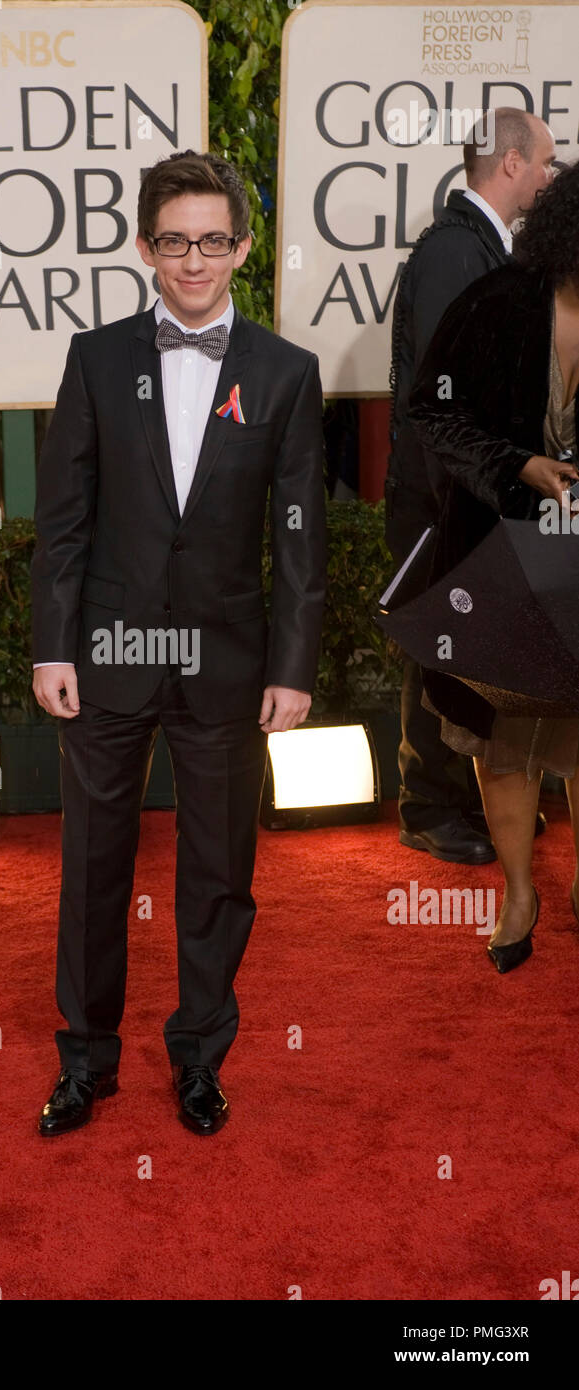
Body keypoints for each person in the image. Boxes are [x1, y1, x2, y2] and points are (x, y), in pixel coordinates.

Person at [30, 150, 326, 1134]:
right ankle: (86, 1058)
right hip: (109, 653)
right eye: (172, 240)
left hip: (230, 666)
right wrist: (53, 646)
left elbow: (298, 537)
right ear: (143, 246)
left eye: (211, 240)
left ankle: (199, 1058)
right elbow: (64, 519)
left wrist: (291, 667)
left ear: (240, 246)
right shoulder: (97, 358)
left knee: (216, 873)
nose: (192, 259)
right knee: (92, 868)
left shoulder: (286, 375)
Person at [407, 157, 579, 973]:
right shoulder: (498, 301)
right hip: (499, 558)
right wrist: (516, 466)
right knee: (504, 739)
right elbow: (431, 411)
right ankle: (518, 892)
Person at [386, 107, 556, 865]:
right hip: (441, 504)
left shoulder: (481, 250)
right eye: (546, 163)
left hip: (463, 500)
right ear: (511, 163)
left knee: (469, 652)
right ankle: (427, 806)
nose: (550, 178)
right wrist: (470, 510)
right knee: (438, 646)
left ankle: (475, 799)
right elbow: (443, 403)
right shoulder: (456, 254)